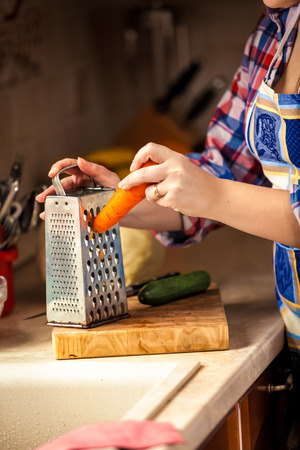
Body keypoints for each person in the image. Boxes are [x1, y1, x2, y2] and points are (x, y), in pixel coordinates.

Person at [37, 0, 300, 446]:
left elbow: (217, 192)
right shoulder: (274, 32)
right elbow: (226, 167)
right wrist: (123, 195)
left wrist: (213, 194)